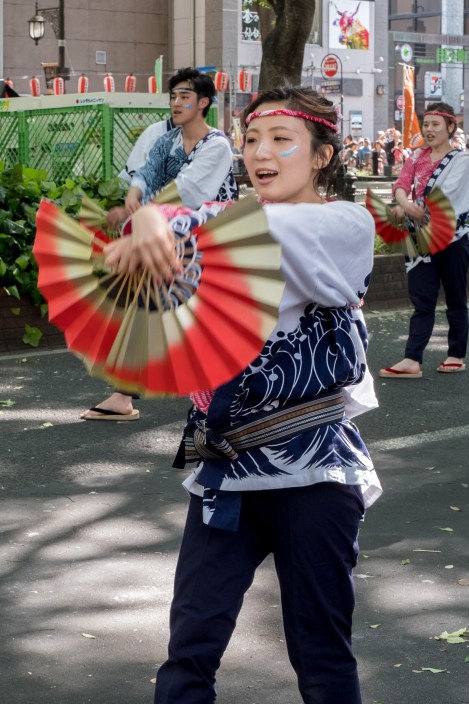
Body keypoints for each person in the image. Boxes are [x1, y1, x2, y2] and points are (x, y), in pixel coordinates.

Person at [104, 85, 382, 703]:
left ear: (322, 158)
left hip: (312, 473)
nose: (262, 152)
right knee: (189, 649)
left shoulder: (343, 224)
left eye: (283, 141)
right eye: (252, 139)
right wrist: (144, 261)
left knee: (321, 655)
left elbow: (249, 232)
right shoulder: (225, 227)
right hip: (225, 472)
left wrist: (158, 215)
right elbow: (168, 306)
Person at [81, 67, 237, 421]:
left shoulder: (217, 145)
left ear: (203, 103)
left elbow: (190, 191)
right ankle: (126, 394)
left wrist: (143, 213)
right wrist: (135, 195)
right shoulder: (167, 140)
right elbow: (148, 171)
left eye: (184, 97)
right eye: (173, 97)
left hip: (212, 240)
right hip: (175, 238)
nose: (176, 103)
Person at [379, 102, 469, 378]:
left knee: (456, 297)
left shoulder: (462, 160)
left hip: (454, 237)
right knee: (422, 299)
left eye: (435, 125)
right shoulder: (416, 157)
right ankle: (412, 358)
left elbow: (449, 195)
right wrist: (405, 204)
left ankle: (455, 353)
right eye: (425, 124)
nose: (428, 130)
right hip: (419, 237)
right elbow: (401, 186)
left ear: (450, 127)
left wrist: (408, 206)